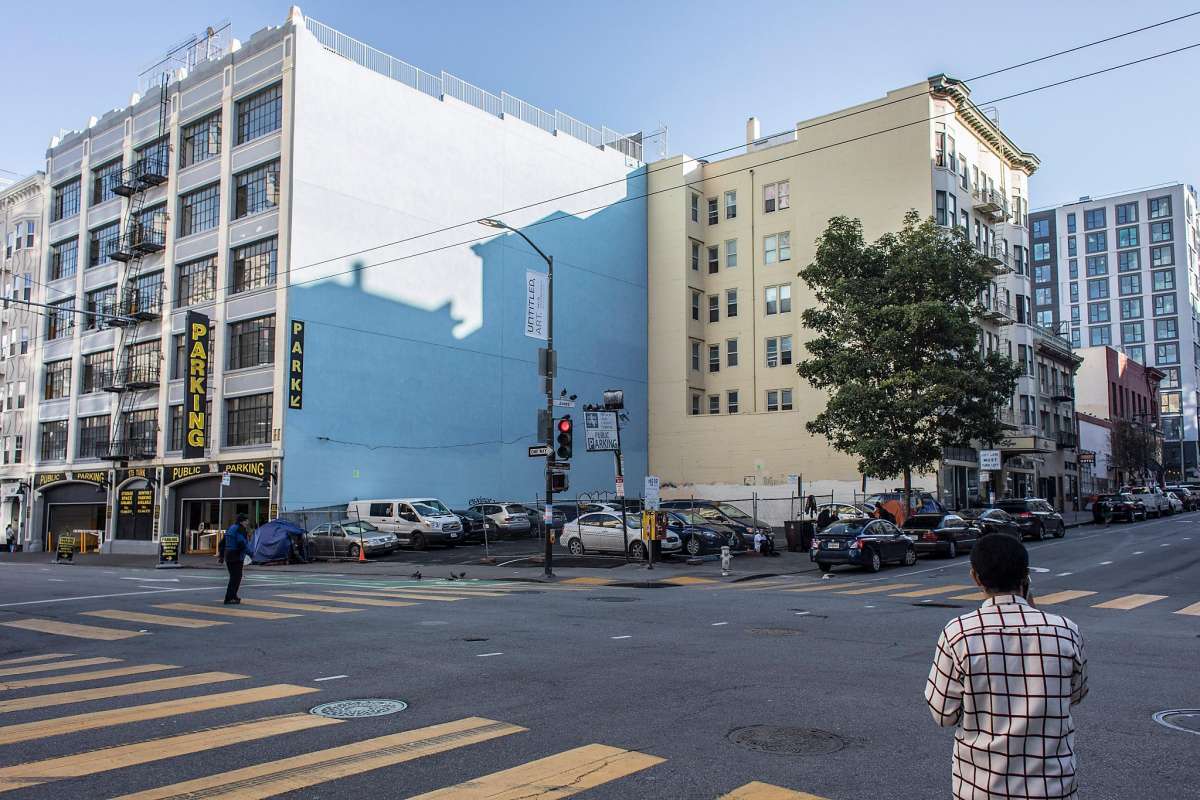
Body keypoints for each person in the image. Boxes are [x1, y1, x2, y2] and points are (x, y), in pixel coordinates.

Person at [924, 535, 1088, 800]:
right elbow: (1076, 694)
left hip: (981, 788)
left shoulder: (958, 634)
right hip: (1052, 788)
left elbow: (943, 714)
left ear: (976, 577)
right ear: (1026, 576)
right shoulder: (1065, 631)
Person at [222, 514, 253, 605]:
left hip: (228, 554)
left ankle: (233, 596)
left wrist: (221, 555)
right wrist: (251, 553)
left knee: (234, 577)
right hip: (236, 555)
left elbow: (223, 542)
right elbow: (242, 543)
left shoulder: (231, 528)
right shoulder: (240, 529)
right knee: (236, 578)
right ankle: (229, 598)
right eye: (246, 520)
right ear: (242, 521)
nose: (248, 522)